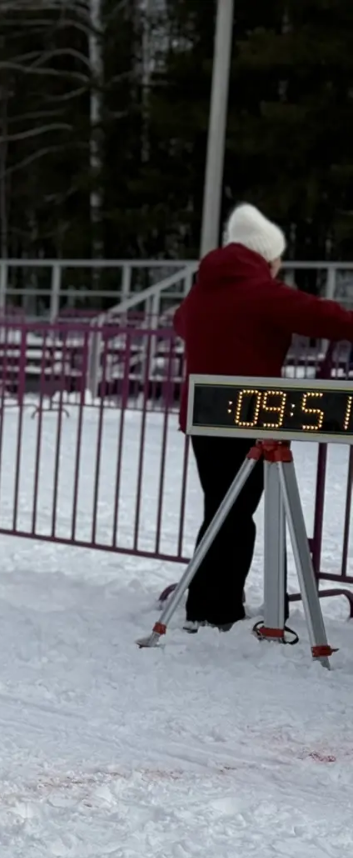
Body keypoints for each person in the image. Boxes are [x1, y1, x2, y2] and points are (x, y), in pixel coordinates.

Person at [172, 202, 353, 631]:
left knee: (220, 509)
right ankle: (216, 610)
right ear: (266, 255)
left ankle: (206, 600)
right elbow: (322, 317)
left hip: (203, 415)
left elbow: (180, 322)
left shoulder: (203, 290)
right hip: (246, 415)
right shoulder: (259, 291)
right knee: (236, 516)